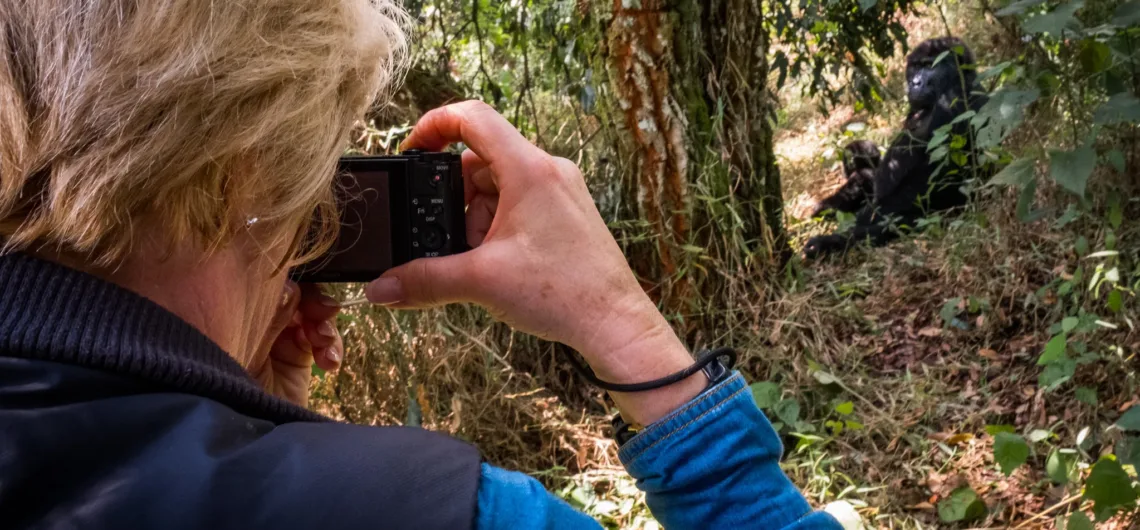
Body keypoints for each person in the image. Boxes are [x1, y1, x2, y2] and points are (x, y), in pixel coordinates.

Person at [0, 1, 852, 529]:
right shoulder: (446, 516)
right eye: (314, 184)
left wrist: (241, 410)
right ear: (242, 176)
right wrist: (624, 327)